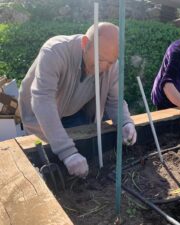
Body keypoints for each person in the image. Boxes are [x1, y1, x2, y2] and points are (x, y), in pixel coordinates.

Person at [19, 22, 137, 178]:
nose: (105, 67)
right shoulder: (55, 51)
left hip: (73, 112)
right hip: (40, 117)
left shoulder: (112, 66)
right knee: (51, 159)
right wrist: (67, 152)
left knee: (84, 152)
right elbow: (43, 100)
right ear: (85, 44)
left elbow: (114, 100)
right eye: (101, 59)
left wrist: (125, 122)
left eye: (111, 61)